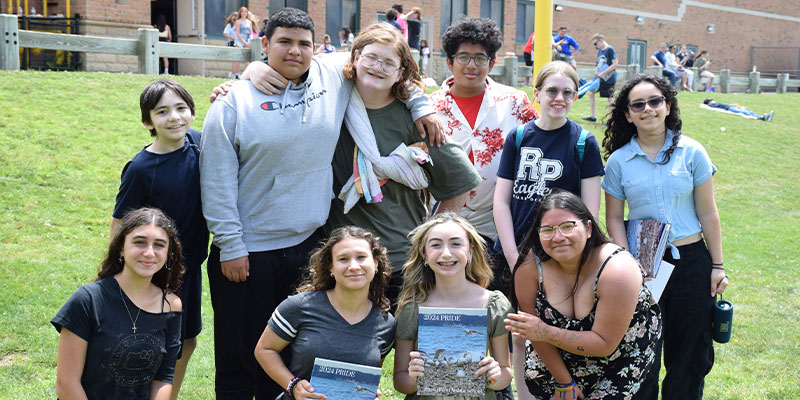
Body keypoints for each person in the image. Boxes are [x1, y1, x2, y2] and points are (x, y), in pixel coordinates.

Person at [201, 8, 441, 399]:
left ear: (317, 48)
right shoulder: (233, 104)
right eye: (283, 42)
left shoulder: (332, 75)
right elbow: (215, 179)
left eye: (303, 44)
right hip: (249, 251)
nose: (295, 51)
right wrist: (230, 244)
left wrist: (422, 105)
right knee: (242, 355)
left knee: (298, 354)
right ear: (264, 45)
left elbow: (389, 63)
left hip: (309, 246)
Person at [327, 22, 480, 308]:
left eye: (389, 63)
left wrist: (431, 235)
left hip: (401, 261)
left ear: (400, 73)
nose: (377, 67)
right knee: (352, 351)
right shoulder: (331, 105)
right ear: (356, 56)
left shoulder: (417, 120)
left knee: (410, 350)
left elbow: (460, 182)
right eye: (371, 57)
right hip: (344, 260)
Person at [601, 74, 729, 400]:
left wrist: (718, 265)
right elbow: (614, 216)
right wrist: (626, 262)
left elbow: (709, 213)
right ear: (628, 114)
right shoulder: (618, 162)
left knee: (690, 354)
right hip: (643, 267)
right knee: (642, 351)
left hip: (691, 262)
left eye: (655, 101)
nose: (648, 109)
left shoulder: (692, 152)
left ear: (667, 106)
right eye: (638, 104)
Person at [493, 61, 604, 400]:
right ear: (536, 93)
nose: (559, 98)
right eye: (552, 91)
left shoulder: (584, 143)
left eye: (568, 92)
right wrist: (513, 255)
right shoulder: (519, 136)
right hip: (512, 253)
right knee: (516, 330)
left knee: (549, 329)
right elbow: (501, 201)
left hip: (556, 256)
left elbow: (590, 213)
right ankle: (521, 394)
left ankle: (560, 388)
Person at [504, 190, 662, 399]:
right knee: (541, 383)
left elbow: (604, 344)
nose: (558, 237)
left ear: (588, 228)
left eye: (568, 226)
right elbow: (534, 333)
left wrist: (544, 331)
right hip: (558, 354)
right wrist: (564, 382)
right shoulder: (529, 268)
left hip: (619, 356)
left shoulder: (617, 270)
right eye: (548, 230)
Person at [111, 79, 208, 400]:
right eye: (162, 111)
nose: (174, 117)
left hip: (189, 267)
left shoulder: (198, 144)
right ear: (147, 121)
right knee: (154, 344)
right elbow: (120, 224)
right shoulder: (141, 168)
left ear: (192, 112)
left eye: (181, 108)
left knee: (188, 341)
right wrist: (119, 275)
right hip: (154, 271)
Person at [430, 15, 537, 297]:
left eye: (480, 58)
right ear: (450, 61)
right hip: (443, 221)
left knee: (494, 307)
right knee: (447, 305)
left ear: (492, 63)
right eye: (463, 56)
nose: (472, 65)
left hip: (498, 224)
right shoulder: (429, 108)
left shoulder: (514, 103)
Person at [53, 207, 184, 399]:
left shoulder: (171, 305)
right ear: (121, 248)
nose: (149, 253)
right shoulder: (88, 300)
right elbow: (66, 384)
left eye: (159, 245)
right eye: (139, 242)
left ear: (168, 253)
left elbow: (164, 379)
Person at [254, 226, 395, 400]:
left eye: (361, 257)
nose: (353, 266)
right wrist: (293, 385)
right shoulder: (299, 307)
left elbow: (368, 376)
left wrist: (368, 394)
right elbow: (264, 349)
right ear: (330, 267)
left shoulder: (386, 323)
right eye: (343, 259)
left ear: (375, 263)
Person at [393, 213, 514, 399]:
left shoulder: (492, 304)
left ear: (470, 251)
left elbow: (505, 374)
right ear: (424, 255)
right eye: (435, 245)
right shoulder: (412, 309)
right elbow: (400, 382)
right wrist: (413, 377)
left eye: (456, 244)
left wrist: (494, 375)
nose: (446, 253)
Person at [583, 33, 618, 123]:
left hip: (609, 79)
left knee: (610, 98)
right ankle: (593, 116)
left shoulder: (610, 49)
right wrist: (597, 71)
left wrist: (603, 73)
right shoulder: (600, 50)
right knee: (591, 93)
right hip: (600, 78)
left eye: (595, 43)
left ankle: (611, 121)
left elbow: (615, 64)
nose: (595, 46)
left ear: (601, 40)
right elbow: (599, 63)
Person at [703, 98, 773, 121]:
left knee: (748, 112)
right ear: (709, 103)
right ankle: (762, 117)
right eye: (711, 100)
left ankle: (763, 117)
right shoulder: (712, 105)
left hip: (731, 107)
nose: (713, 101)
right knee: (745, 113)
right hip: (729, 108)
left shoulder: (716, 103)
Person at [233, 7, 252, 77]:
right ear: (240, 13)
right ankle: (236, 74)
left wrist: (250, 40)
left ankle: (247, 75)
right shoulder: (238, 21)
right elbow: (237, 33)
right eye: (242, 12)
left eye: (245, 12)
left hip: (247, 40)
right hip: (239, 40)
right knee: (237, 58)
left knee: (247, 59)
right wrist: (244, 42)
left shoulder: (249, 22)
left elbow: (251, 33)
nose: (244, 13)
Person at [222, 12, 240, 78]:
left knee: (238, 59)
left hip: (239, 43)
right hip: (232, 42)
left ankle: (236, 73)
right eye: (234, 16)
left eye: (237, 16)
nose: (235, 18)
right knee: (234, 59)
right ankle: (234, 73)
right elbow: (225, 33)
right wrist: (232, 38)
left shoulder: (239, 25)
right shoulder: (230, 25)